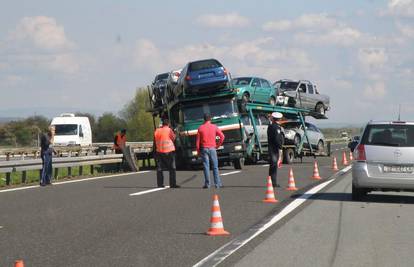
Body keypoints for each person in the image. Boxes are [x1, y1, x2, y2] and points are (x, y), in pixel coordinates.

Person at [196, 113, 225, 189]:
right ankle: (217, 184)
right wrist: (218, 145)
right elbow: (222, 136)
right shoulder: (214, 127)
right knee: (215, 166)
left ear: (204, 119)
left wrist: (198, 151)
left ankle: (207, 184)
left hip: (204, 148)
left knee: (206, 166)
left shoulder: (200, 128)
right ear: (210, 119)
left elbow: (197, 142)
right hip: (212, 148)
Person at [154, 118, 180, 188]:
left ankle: (160, 184)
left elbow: (155, 140)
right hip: (169, 151)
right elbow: (173, 138)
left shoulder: (157, 130)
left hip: (159, 151)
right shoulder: (169, 130)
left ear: (162, 124)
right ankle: (172, 184)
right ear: (168, 124)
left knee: (159, 169)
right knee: (172, 168)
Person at [267, 112, 284, 187]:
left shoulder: (270, 126)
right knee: (274, 166)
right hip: (275, 148)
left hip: (271, 147)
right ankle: (273, 183)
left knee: (272, 166)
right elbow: (277, 138)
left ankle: (271, 181)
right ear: (279, 119)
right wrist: (280, 146)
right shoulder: (276, 127)